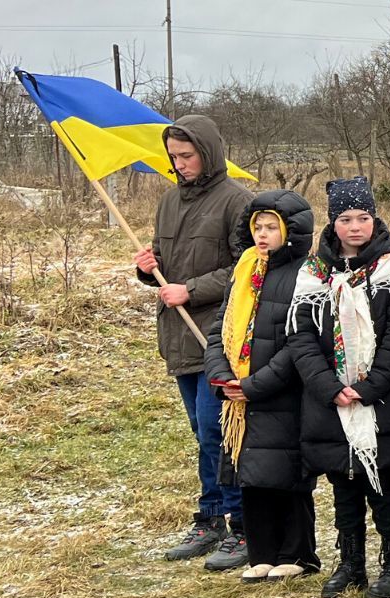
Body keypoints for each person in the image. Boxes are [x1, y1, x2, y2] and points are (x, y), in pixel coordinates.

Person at [286, 177, 390, 598]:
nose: (356, 227)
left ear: (374, 218)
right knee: (342, 481)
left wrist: (368, 386)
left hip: (380, 396)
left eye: (363, 217)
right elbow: (301, 337)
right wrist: (329, 387)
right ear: (333, 222)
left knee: (380, 481)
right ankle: (351, 562)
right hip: (328, 398)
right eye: (346, 219)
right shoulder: (314, 272)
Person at [134, 115, 254, 570]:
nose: (179, 164)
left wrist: (192, 289)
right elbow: (165, 264)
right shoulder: (168, 202)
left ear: (208, 151)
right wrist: (148, 268)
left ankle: (242, 524)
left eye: (187, 155)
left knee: (219, 432)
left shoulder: (238, 202)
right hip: (180, 336)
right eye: (173, 156)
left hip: (220, 336)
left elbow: (247, 269)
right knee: (200, 433)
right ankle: (209, 518)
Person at [203, 190, 321, 584]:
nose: (263, 235)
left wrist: (255, 384)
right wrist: (223, 378)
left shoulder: (306, 273)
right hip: (239, 397)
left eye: (272, 227)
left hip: (283, 393)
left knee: (286, 472)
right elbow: (221, 329)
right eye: (258, 227)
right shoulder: (244, 270)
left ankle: (298, 554)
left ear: (291, 230)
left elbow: (301, 340)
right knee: (251, 473)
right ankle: (262, 553)